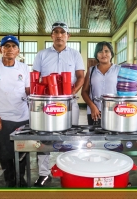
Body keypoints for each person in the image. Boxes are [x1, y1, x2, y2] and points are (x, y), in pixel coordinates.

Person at [32, 21, 85, 187]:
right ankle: (43, 173)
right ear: (51, 36)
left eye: (63, 32)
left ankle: (70, 170)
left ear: (68, 36)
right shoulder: (42, 54)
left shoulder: (75, 55)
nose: (59, 35)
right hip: (48, 103)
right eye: (56, 32)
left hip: (69, 103)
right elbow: (36, 77)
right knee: (45, 138)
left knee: (71, 136)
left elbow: (81, 76)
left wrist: (72, 92)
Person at [0, 35, 30, 187]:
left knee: (22, 152)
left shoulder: (24, 68)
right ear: (0, 49)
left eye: (13, 46)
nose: (10, 49)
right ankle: (10, 181)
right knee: (5, 153)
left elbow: (29, 92)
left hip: (22, 118)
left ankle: (20, 180)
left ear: (18, 51)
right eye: (6, 46)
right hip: (2, 119)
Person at [81, 41, 120, 125]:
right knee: (95, 137)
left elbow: (125, 92)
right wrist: (92, 106)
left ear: (111, 53)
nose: (103, 54)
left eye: (106, 51)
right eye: (100, 51)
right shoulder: (91, 71)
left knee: (113, 137)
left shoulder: (119, 70)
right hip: (95, 112)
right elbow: (84, 92)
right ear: (96, 55)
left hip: (115, 111)